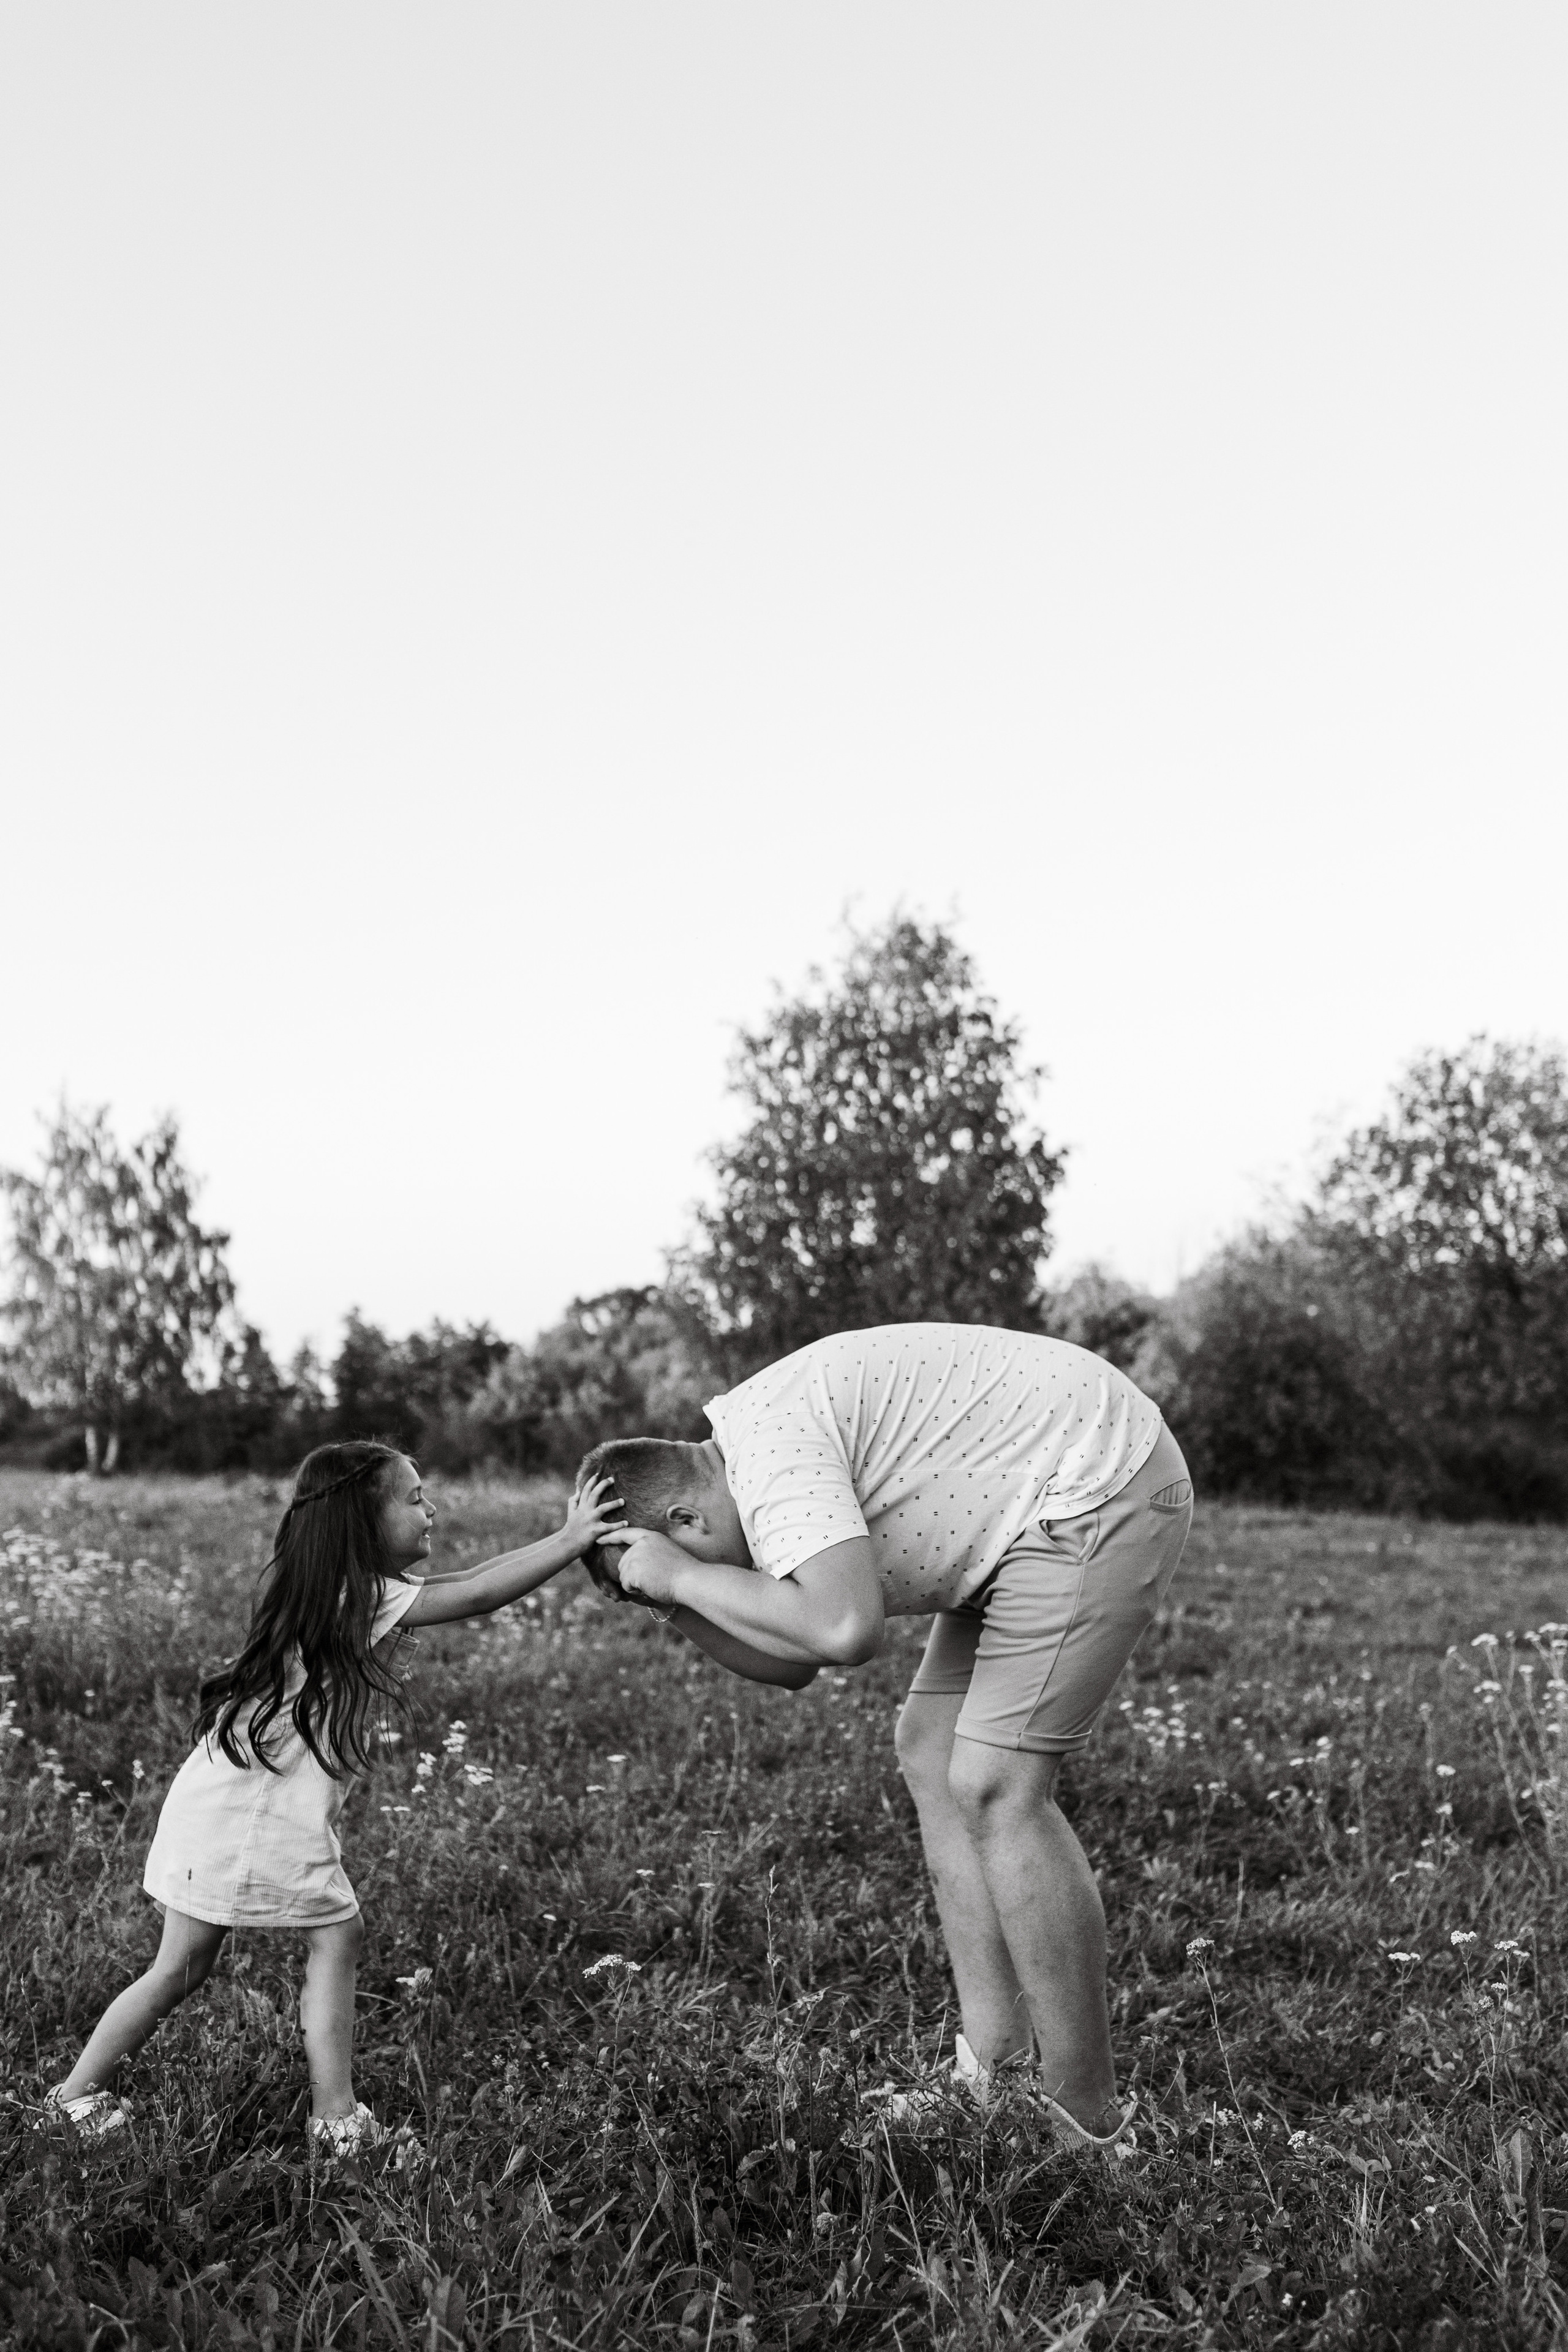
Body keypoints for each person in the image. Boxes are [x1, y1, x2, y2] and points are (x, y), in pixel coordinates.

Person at [583, 1322, 1193, 2149]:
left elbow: (842, 1629)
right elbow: (792, 1661)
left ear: (686, 1518)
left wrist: (684, 1577)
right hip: (1025, 1512)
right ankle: (995, 2072)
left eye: (680, 1556)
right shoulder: (737, 1472)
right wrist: (670, 1594)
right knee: (933, 1754)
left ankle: (1086, 2124)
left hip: (1092, 1482)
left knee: (995, 1784)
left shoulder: (768, 1464)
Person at [41, 1441, 621, 2152]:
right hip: (249, 1814)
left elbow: (472, 1573)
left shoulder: (334, 1595)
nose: (432, 1508)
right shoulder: (355, 1600)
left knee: (186, 1966)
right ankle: (337, 2119)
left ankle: (77, 2096)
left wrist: (562, 1537)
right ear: (360, 1521)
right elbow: (477, 1593)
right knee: (327, 1935)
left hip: (223, 1802)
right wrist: (571, 1539)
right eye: (413, 1498)